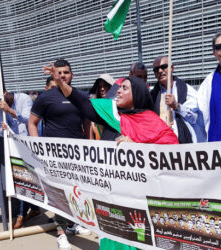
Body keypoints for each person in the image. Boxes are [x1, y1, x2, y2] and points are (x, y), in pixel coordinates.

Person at [45, 63, 178, 250]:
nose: (118, 91)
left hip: (139, 200)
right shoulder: (110, 112)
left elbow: (172, 151)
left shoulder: (153, 122)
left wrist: (140, 147)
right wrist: (60, 82)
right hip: (111, 197)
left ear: (137, 94)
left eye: (125, 88)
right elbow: (83, 103)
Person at [28, 59, 91, 250]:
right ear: (54, 75)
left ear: (72, 75)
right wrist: (37, 149)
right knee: (59, 194)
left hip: (77, 154)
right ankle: (61, 233)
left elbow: (87, 124)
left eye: (66, 72)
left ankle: (72, 224)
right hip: (53, 156)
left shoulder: (80, 96)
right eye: (60, 72)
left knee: (76, 191)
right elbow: (32, 123)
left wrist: (88, 148)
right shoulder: (45, 97)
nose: (63, 75)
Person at [0, 90, 42, 229]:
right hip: (15, 146)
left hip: (28, 144)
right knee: (22, 178)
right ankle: (29, 210)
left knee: (30, 178)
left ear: (5, 92)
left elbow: (28, 119)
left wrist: (9, 110)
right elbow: (3, 128)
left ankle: (24, 213)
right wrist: (5, 129)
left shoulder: (24, 99)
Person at [150, 56, 206, 143]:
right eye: (156, 69)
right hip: (163, 143)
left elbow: (194, 118)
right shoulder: (152, 96)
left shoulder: (186, 90)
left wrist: (177, 106)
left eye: (164, 67)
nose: (160, 71)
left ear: (172, 68)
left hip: (185, 143)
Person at [88, 73, 115, 140]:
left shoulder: (118, 106)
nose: (102, 89)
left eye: (105, 86)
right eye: (100, 87)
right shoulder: (95, 107)